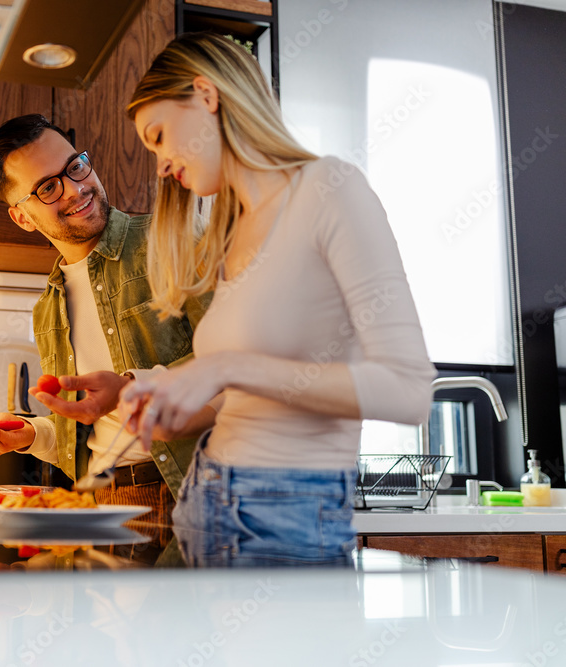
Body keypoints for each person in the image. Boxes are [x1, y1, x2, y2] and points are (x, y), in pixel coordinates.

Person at [118, 33, 437, 567]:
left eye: (159, 136)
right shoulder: (233, 234)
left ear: (206, 95)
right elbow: (253, 392)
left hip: (284, 515)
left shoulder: (328, 188)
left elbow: (408, 391)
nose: (161, 166)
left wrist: (224, 365)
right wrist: (185, 409)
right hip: (207, 504)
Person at [0, 114, 214, 529]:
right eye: (48, 187)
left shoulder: (174, 240)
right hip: (102, 505)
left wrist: (131, 387)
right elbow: (82, 436)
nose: (76, 189)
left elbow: (238, 367)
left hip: (194, 494)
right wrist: (31, 436)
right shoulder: (48, 309)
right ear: (22, 217)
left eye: (75, 167)